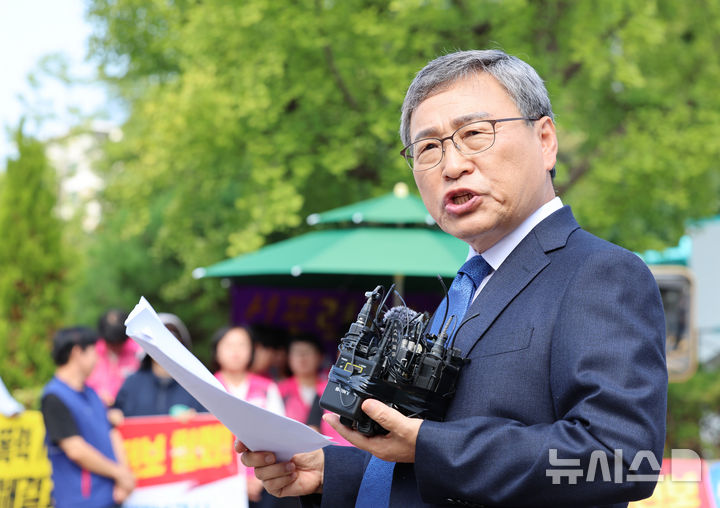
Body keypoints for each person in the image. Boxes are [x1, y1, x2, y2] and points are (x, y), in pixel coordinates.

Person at [237, 49, 668, 507]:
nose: (451, 165)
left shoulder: (600, 273)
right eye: (428, 148)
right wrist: (333, 472)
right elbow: (432, 453)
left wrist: (430, 447)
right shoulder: (464, 288)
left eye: (475, 134)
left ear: (545, 140)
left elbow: (623, 460)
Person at [41, 327, 135, 508]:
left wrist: (124, 477)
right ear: (77, 352)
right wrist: (119, 474)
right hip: (79, 501)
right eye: (93, 351)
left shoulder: (92, 394)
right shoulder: (54, 397)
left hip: (112, 498)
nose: (97, 358)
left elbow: (111, 433)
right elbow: (75, 449)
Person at [212, 325, 289, 507]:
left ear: (252, 351)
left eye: (242, 345)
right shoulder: (205, 386)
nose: (236, 351)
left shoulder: (267, 387)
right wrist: (236, 484)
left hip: (261, 481)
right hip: (217, 484)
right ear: (216, 350)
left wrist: (259, 479)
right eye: (229, 345)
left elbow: (278, 433)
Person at [113, 313, 206, 418]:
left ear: (182, 342)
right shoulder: (132, 383)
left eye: (172, 335)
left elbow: (210, 424)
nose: (166, 342)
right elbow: (115, 415)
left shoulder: (197, 387)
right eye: (159, 335)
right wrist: (114, 416)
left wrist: (197, 420)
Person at [277, 333, 350, 446]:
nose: (302, 358)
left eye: (307, 352)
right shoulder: (279, 390)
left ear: (320, 357)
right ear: (288, 358)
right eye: (296, 353)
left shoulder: (332, 388)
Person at [86, 308, 142, 406]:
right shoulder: (91, 354)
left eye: (119, 343)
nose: (115, 347)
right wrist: (96, 396)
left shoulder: (138, 353)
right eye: (111, 343)